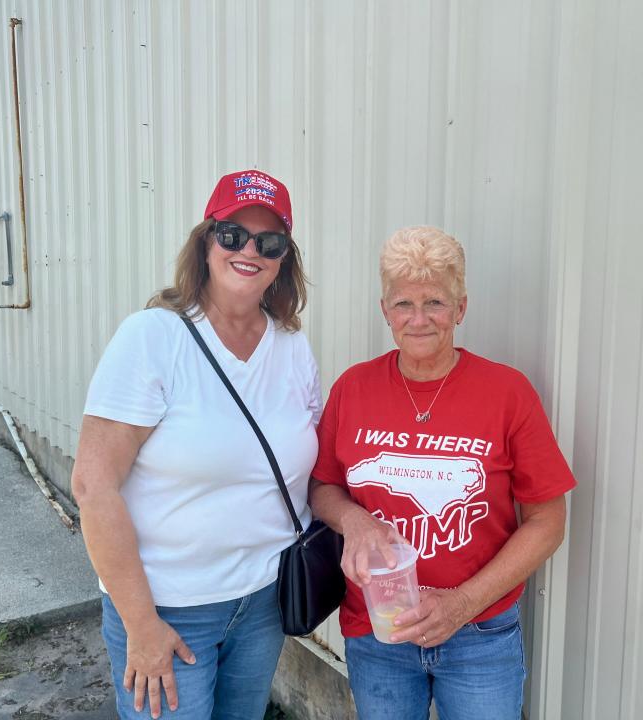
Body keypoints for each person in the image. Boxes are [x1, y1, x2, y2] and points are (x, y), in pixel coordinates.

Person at [72, 170, 321, 719]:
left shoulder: (293, 347)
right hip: (169, 609)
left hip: (263, 604)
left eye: (269, 241)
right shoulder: (152, 337)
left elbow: (308, 468)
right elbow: (93, 486)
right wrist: (141, 624)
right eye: (233, 234)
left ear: (284, 258)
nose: (249, 250)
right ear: (206, 241)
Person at [309, 226, 577, 720]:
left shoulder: (507, 392)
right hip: (378, 629)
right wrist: (356, 521)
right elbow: (322, 485)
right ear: (384, 309)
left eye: (434, 301)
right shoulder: (354, 388)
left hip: (479, 633)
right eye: (403, 303)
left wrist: (462, 603)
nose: (418, 320)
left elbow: (548, 521)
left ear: (461, 308)